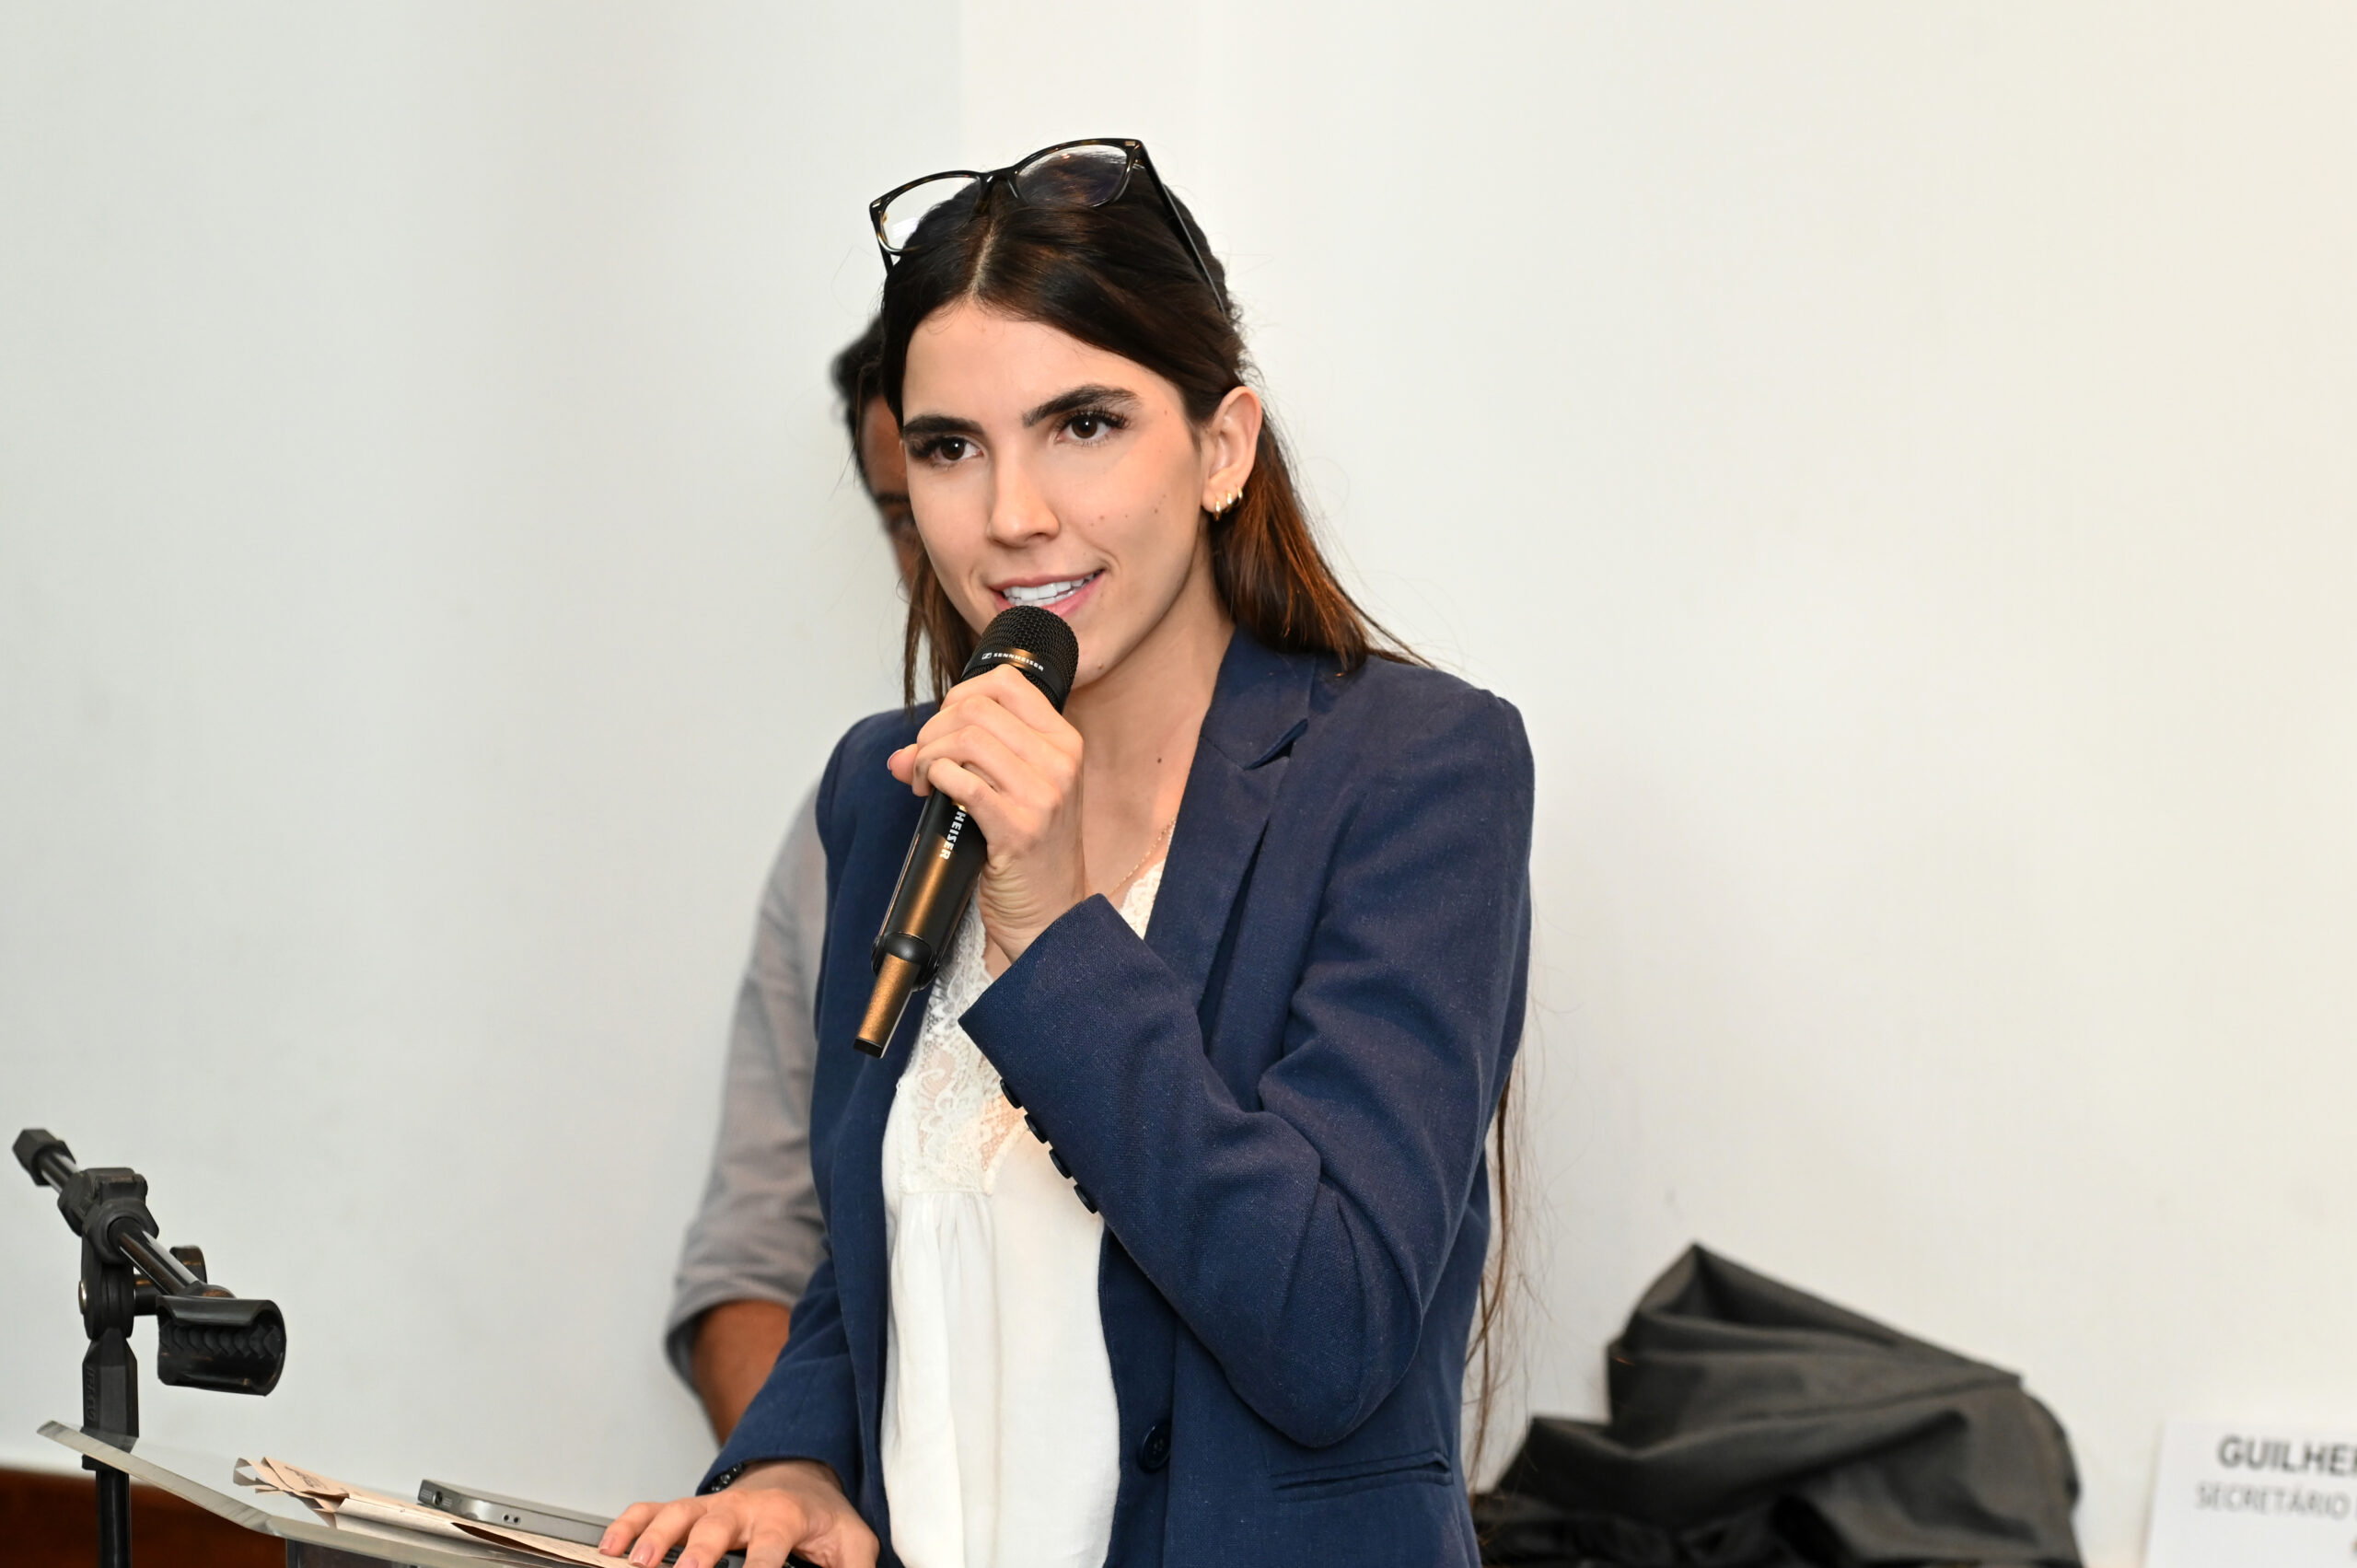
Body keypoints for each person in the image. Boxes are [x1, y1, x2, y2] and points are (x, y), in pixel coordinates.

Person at [607, 137, 1533, 1568]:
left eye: (1085, 423)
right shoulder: (886, 786)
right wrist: (794, 1456)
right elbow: (879, 1241)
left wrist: (1049, 926)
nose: (1012, 514)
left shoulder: (1413, 768)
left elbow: (1330, 1328)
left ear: (1222, 447)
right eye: (949, 447)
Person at [665, 318, 920, 1443]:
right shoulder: (854, 818)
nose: (972, 534)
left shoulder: (1378, 781)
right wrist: (793, 1474)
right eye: (906, 508)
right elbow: (753, 1258)